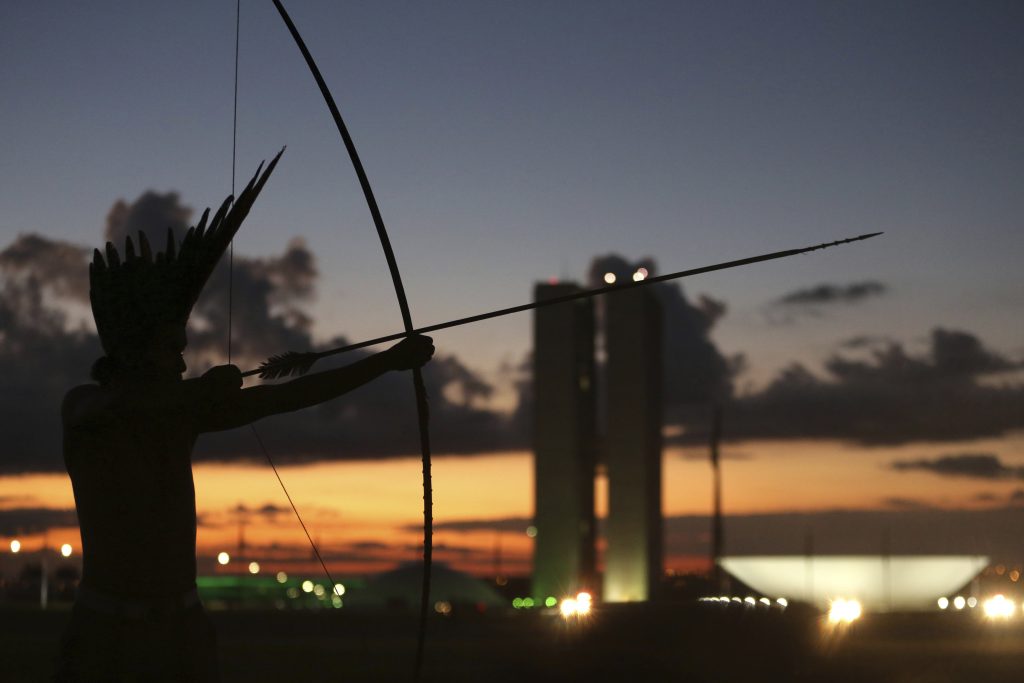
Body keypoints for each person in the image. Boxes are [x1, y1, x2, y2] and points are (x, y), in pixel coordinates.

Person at [55, 151, 434, 681]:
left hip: (183, 629)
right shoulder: (87, 409)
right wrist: (198, 393)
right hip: (107, 637)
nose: (183, 360)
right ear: (135, 355)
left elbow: (287, 397)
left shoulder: (177, 413)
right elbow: (121, 407)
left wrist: (388, 363)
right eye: (172, 348)